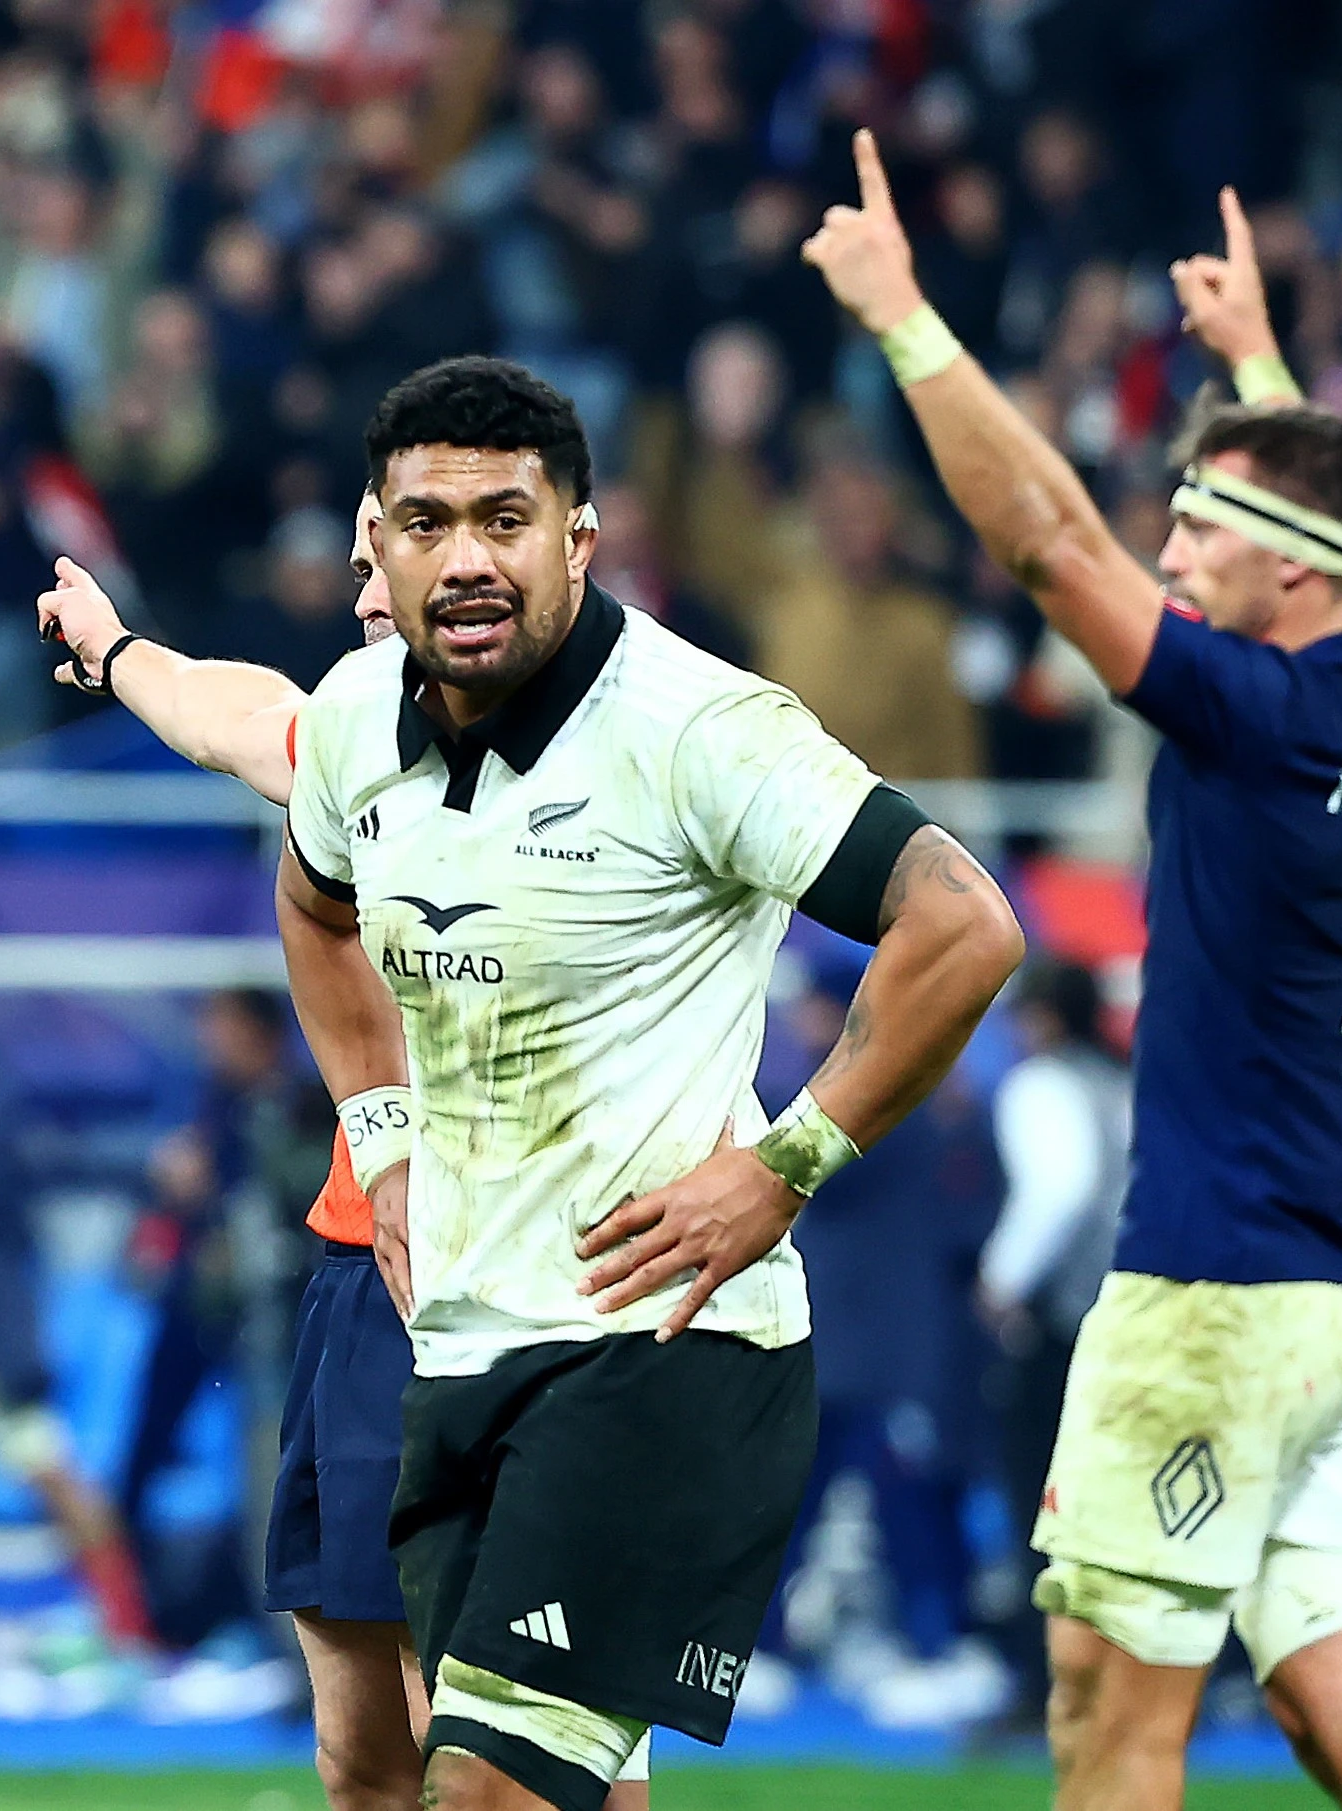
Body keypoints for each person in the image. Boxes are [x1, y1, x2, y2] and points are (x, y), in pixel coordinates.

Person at [806, 133, 1342, 1811]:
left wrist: (905, 323)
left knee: (1112, 1729)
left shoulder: (1247, 717)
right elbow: (1336, 526)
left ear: (1288, 568)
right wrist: (1254, 361)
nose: (1168, 556)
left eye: (1199, 531)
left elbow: (1043, 540)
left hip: (1217, 1304)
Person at [277, 354, 1025, 1811]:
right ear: (373, 545)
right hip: (468, 1335)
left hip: (664, 1344)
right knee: (530, 1778)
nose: (468, 556)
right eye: (427, 522)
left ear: (581, 536)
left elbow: (966, 922)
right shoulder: (355, 717)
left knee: (479, 1790)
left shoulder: (697, 726)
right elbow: (315, 909)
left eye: (508, 516)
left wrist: (787, 1161)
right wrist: (383, 1136)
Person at [36, 495, 655, 1808]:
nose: (373, 582)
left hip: (531, 1277)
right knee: (362, 1744)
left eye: (409, 549)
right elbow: (227, 709)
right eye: (367, 554)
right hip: (360, 1262)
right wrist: (113, 648)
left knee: (518, 1735)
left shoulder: (616, 762)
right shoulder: (361, 741)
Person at [974, 960, 1130, 1731]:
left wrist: (999, 1278)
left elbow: (1059, 1188)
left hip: (1066, 1325)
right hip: (1145, 1318)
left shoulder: (1042, 1086)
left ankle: (1046, 1686)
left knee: (1044, 1508)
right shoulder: (1129, 1085)